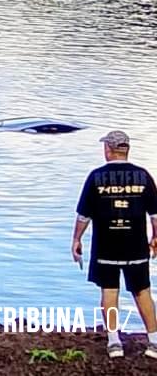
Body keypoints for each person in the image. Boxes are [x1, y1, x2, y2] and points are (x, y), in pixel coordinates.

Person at [72, 130, 157, 359]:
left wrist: (76, 239)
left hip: (106, 246)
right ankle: (154, 342)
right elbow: (155, 214)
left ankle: (114, 343)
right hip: (136, 245)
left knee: (109, 291)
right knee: (142, 292)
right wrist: (156, 237)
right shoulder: (143, 176)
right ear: (126, 149)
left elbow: (83, 216)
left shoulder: (96, 177)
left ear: (108, 149)